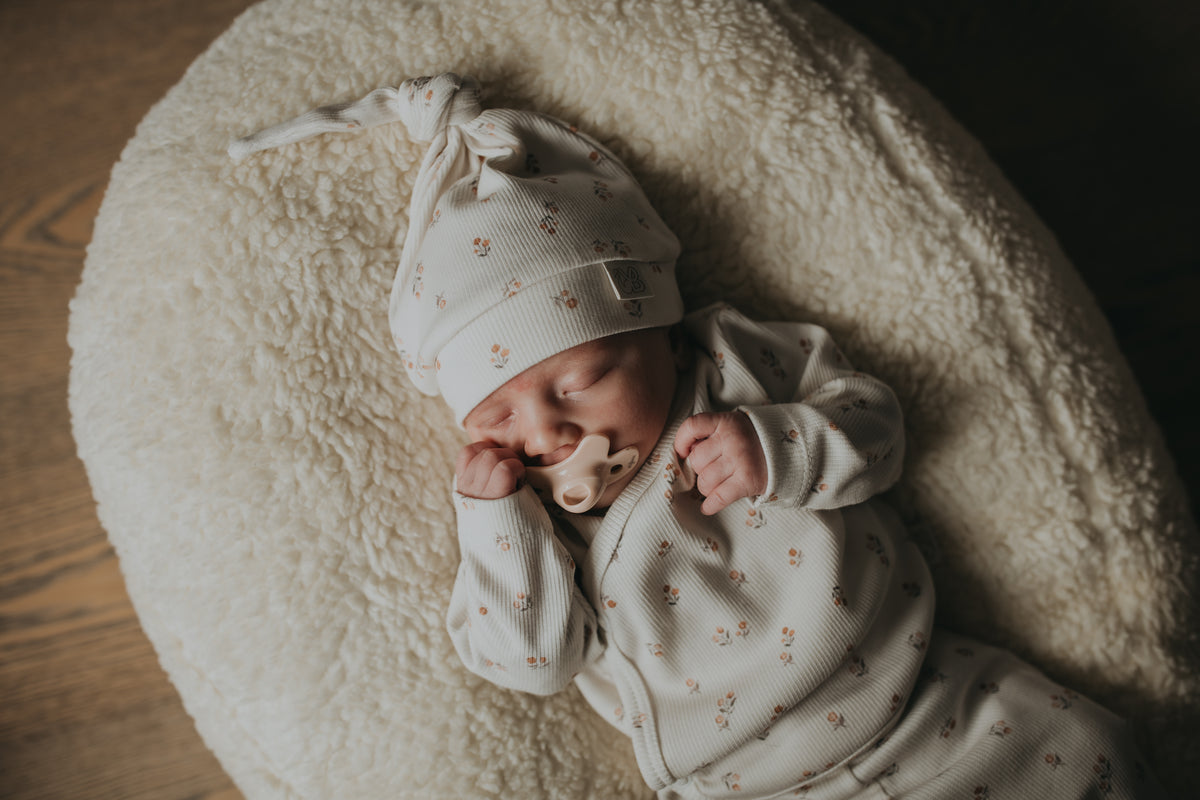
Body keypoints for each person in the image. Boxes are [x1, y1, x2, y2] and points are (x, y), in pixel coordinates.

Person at [231, 73, 1167, 799]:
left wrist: (783, 446)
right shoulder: (533, 516)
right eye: (499, 416)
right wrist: (495, 526)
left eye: (580, 378)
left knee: (1092, 752)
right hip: (741, 779)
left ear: (657, 326)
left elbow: (877, 423)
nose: (548, 429)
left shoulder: (730, 365)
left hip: (920, 691)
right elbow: (532, 663)